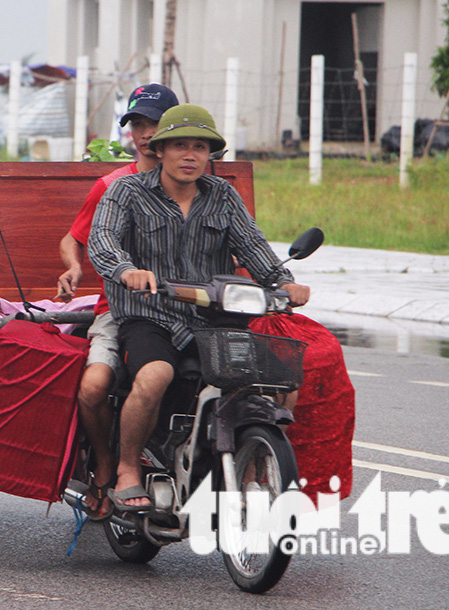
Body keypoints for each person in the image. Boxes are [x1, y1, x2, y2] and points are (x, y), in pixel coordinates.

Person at [87, 103, 310, 511]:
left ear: (211, 155)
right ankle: (126, 468)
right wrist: (126, 271)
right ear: (160, 150)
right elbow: (102, 240)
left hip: (214, 318)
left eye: (200, 148)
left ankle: (249, 465)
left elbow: (254, 246)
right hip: (148, 314)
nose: (190, 156)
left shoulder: (222, 195)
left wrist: (283, 283)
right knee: (154, 376)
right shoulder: (127, 192)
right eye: (181, 146)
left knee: (273, 381)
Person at [56, 84, 179, 521]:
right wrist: (74, 268)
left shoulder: (201, 185)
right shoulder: (114, 185)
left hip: (186, 308)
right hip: (122, 308)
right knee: (93, 386)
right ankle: (108, 467)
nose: (146, 134)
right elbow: (78, 238)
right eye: (139, 125)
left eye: (156, 124)